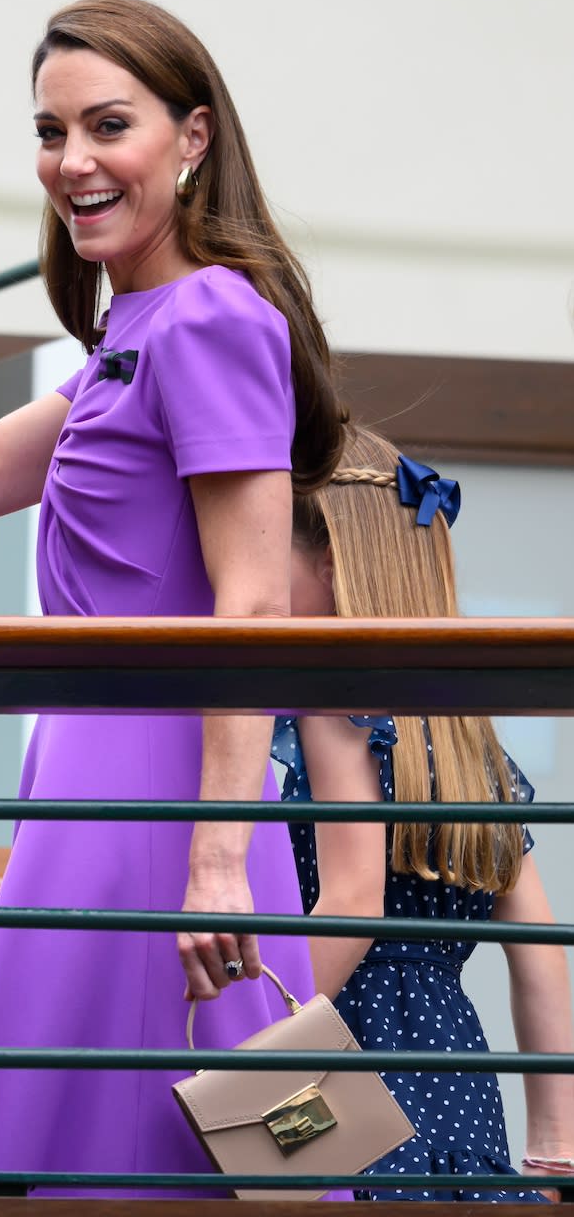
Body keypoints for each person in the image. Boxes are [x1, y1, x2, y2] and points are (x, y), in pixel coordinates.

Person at [0, 0, 349, 1198]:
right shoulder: (131, 330)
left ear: (190, 140)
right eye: (49, 129)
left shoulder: (214, 316)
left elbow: (250, 607)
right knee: (136, 1130)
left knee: (182, 1127)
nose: (70, 161)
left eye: (106, 125)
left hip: (164, 797)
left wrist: (218, 855)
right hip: (96, 781)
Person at [271, 423, 574, 1202]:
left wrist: (253, 1039)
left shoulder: (330, 706)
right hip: (455, 1069)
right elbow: (539, 951)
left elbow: (350, 905)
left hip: (345, 1043)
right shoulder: (468, 741)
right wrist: (553, 1149)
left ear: (332, 563)